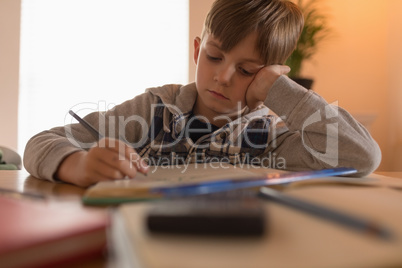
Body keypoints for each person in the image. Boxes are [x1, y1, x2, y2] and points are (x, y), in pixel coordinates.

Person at [23, 0, 381, 187]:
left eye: (247, 70)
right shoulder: (154, 109)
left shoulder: (272, 138)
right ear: (197, 50)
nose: (223, 77)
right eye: (214, 56)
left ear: (271, 76)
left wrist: (283, 93)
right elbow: (40, 143)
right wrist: (78, 164)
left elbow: (362, 157)